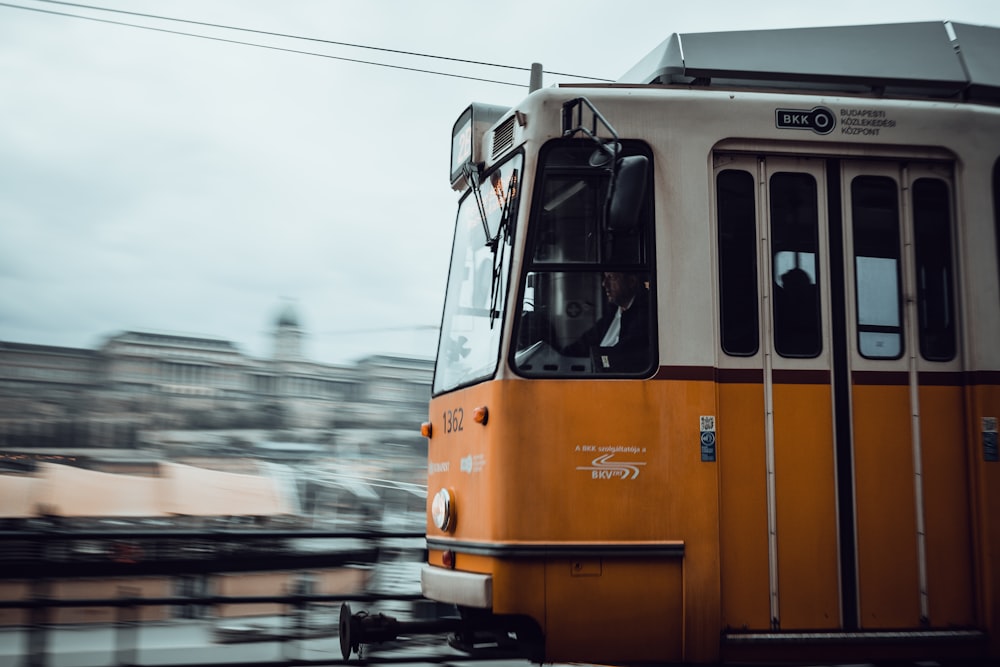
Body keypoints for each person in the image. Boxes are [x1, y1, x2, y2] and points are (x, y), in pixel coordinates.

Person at [563, 272, 651, 371]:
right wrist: (561, 357)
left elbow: (623, 355)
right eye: (605, 277)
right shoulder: (613, 313)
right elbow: (585, 342)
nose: (604, 283)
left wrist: (597, 357)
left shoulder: (644, 314)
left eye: (611, 277)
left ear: (631, 281)